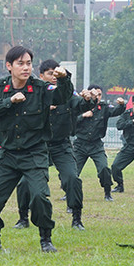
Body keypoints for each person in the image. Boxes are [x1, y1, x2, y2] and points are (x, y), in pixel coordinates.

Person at [0, 46, 74, 253]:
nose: (25, 68)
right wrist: (9, 102)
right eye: (20, 63)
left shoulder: (41, 88)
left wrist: (65, 79)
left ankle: (46, 239)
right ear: (9, 66)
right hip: (7, 154)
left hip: (34, 153)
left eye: (29, 63)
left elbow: (61, 97)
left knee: (39, 197)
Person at [12, 59, 91, 231]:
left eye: (57, 73)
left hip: (61, 145)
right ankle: (23, 217)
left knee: (72, 178)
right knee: (25, 182)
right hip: (38, 145)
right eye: (50, 73)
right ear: (41, 76)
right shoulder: (34, 94)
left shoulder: (67, 94)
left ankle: (76, 218)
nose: (55, 77)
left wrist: (88, 99)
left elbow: (80, 105)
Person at [73, 85, 125, 201]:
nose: (97, 97)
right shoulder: (79, 106)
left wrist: (122, 105)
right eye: (94, 94)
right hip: (80, 144)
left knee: (104, 169)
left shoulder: (104, 108)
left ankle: (107, 193)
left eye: (99, 94)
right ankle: (69, 193)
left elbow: (116, 111)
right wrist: (83, 115)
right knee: (72, 171)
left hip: (96, 145)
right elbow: (71, 121)